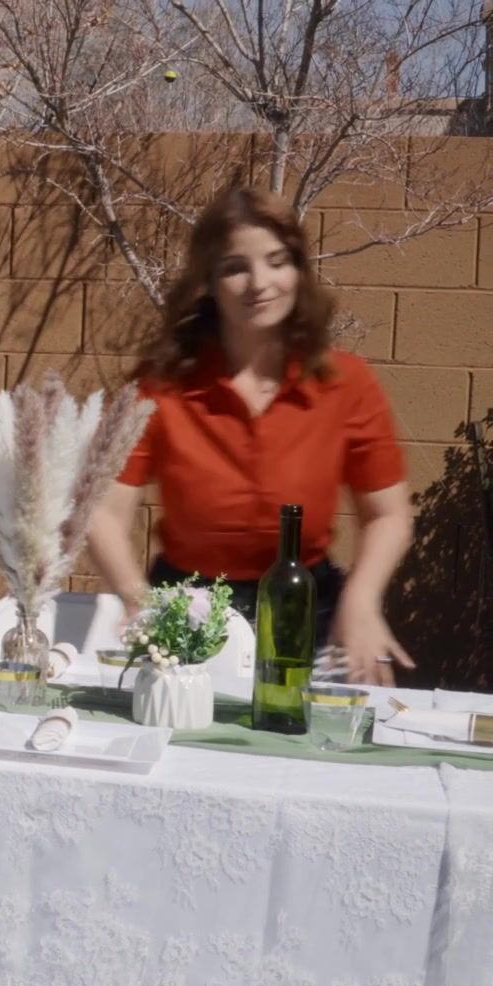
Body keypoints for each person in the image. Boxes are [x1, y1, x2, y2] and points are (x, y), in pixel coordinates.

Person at [85, 186, 415, 687]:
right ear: (210, 282)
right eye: (235, 267)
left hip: (310, 613)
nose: (260, 283)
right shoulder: (161, 388)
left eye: (277, 262)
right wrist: (140, 603)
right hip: (187, 620)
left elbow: (389, 514)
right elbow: (101, 512)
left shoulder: (346, 383)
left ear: (298, 270)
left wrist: (362, 601)